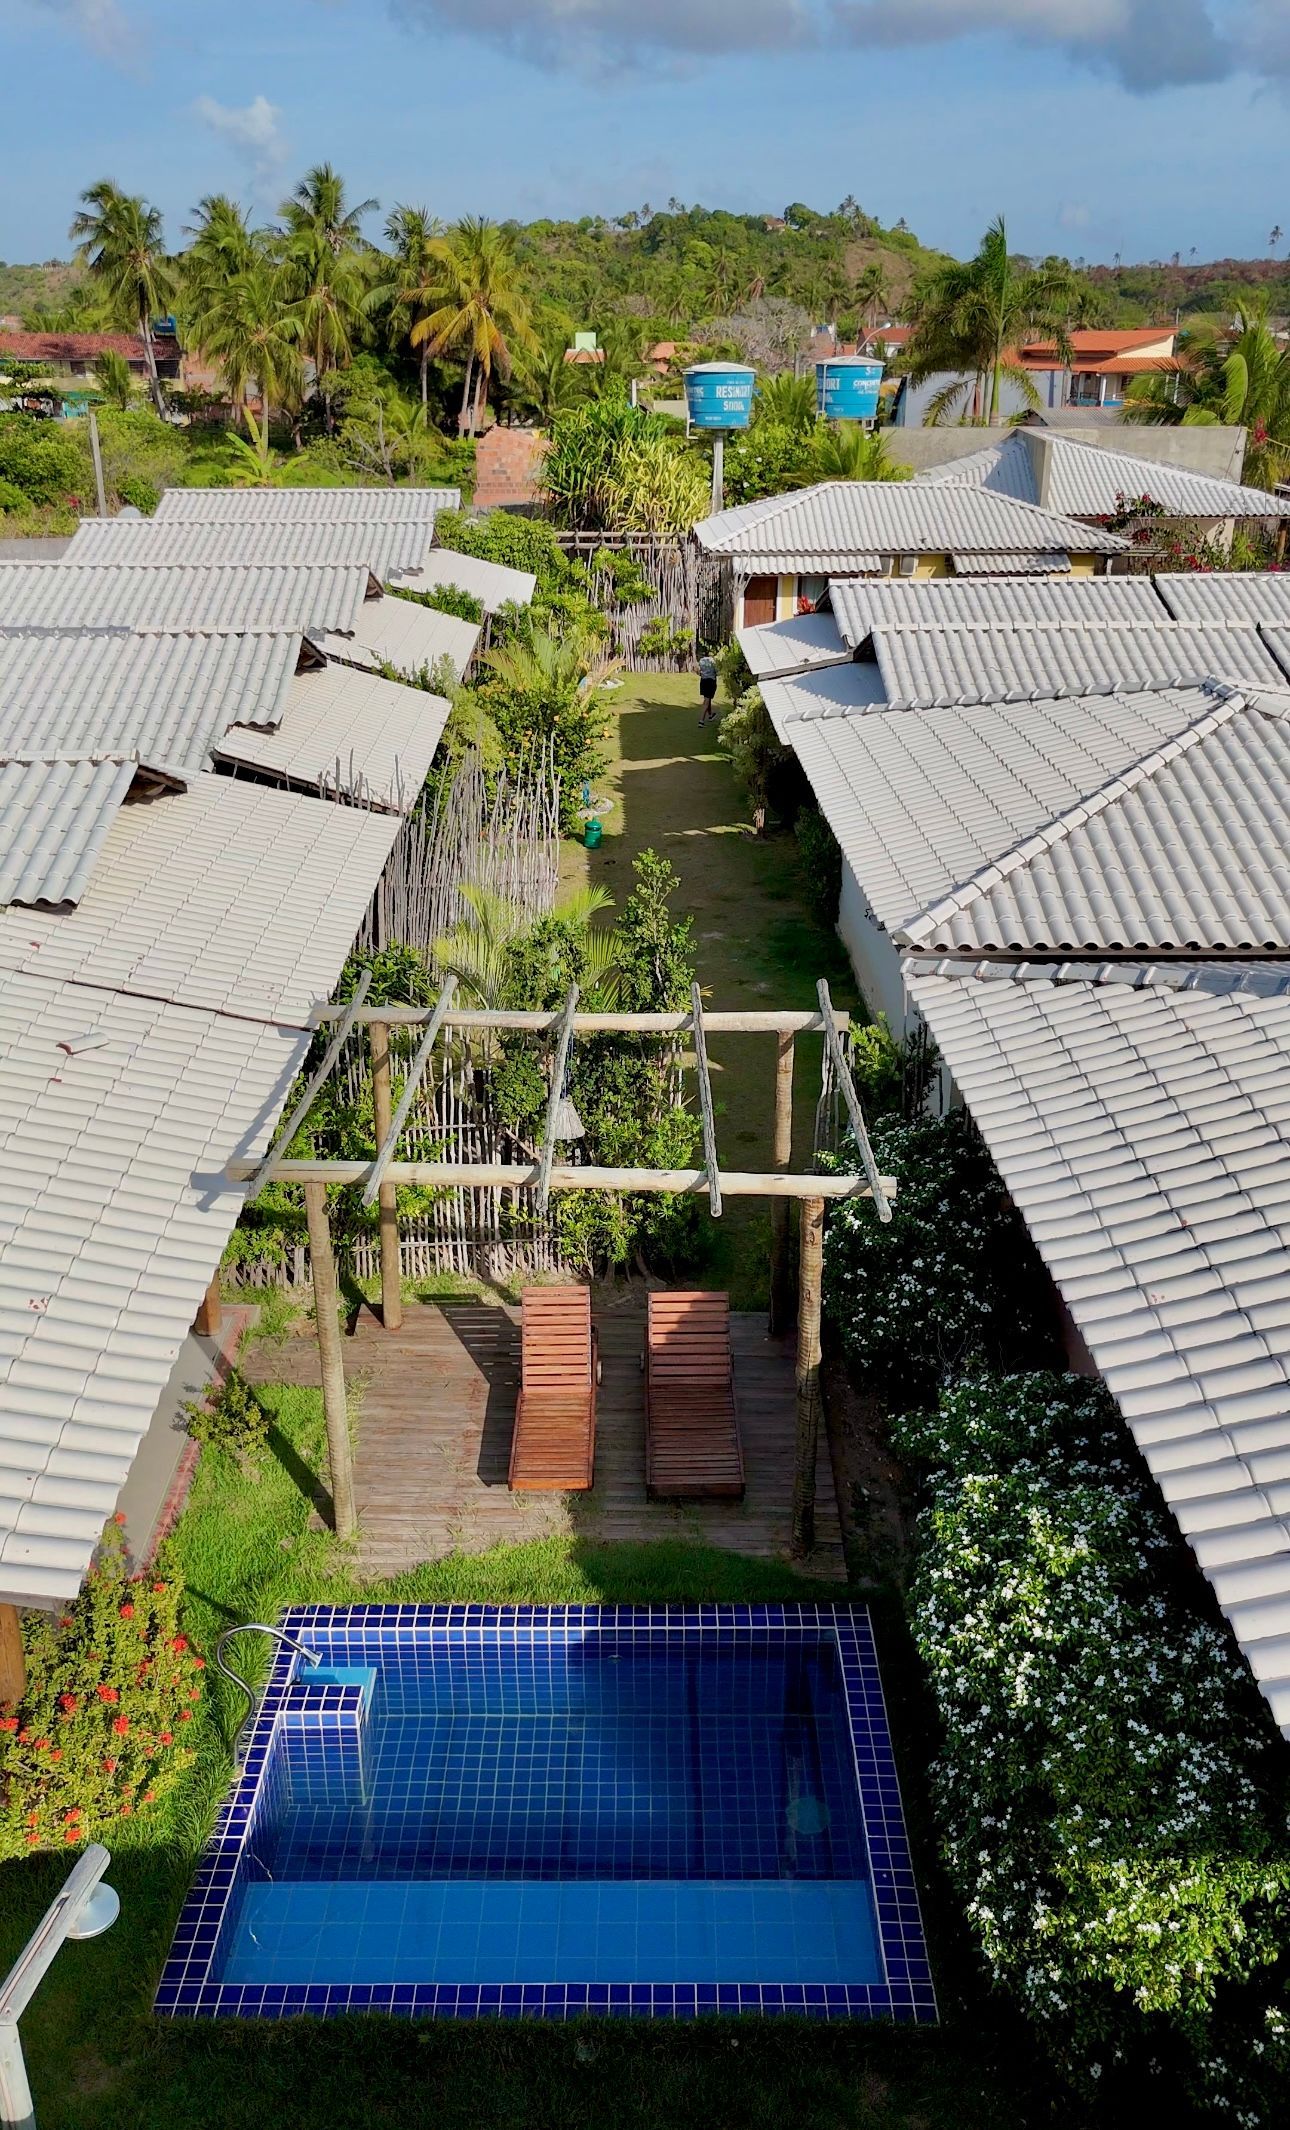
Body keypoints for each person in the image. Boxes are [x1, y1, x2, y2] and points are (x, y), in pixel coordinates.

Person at [697, 651, 719, 726]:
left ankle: (710, 715)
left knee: (707, 698)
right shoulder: (713, 661)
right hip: (711, 681)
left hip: (703, 681)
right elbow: (717, 671)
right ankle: (701, 721)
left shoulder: (701, 660)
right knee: (706, 700)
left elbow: (698, 671)